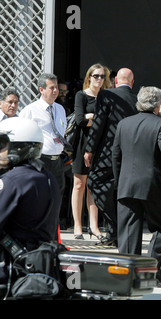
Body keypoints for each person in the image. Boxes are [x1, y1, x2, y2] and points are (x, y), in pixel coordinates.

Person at [112, 86, 161, 287]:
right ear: (157, 104)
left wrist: (119, 180)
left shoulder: (123, 124)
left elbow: (115, 156)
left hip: (127, 184)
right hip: (152, 185)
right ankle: (150, 273)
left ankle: (127, 277)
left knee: (129, 233)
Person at [0, 118, 61, 285]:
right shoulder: (47, 177)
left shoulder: (12, 181)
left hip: (11, 267)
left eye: (3, 145)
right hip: (40, 264)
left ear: (19, 147)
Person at [84, 68, 138, 246]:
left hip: (107, 154)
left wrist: (89, 149)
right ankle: (117, 231)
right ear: (132, 82)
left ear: (115, 81)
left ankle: (115, 226)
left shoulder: (106, 95)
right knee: (122, 193)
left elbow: (98, 124)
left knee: (95, 183)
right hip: (130, 155)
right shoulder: (137, 98)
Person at [71, 63, 111, 240]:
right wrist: (96, 119)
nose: (99, 79)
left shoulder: (106, 96)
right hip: (82, 143)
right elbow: (79, 120)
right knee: (79, 184)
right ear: (89, 77)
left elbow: (109, 121)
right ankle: (78, 226)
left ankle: (94, 226)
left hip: (99, 144)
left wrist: (91, 118)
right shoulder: (82, 95)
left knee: (93, 185)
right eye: (96, 76)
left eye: (102, 76)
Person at [19, 73, 68, 200]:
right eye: (52, 88)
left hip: (57, 160)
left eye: (56, 87)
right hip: (41, 159)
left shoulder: (60, 109)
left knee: (57, 195)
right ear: (42, 90)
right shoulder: (30, 111)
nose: (56, 91)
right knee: (40, 196)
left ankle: (54, 220)